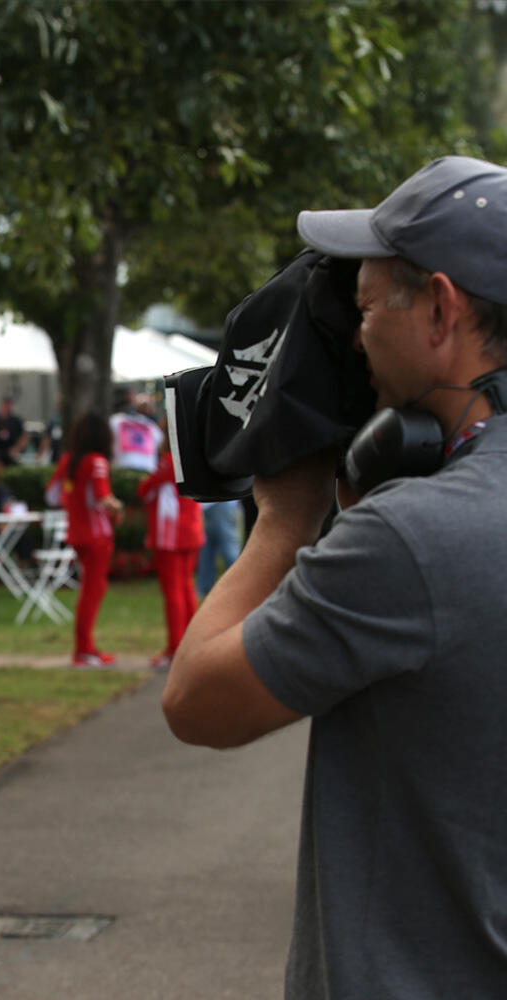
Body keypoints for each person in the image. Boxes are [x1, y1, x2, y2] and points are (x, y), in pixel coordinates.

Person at [162, 156, 507, 998]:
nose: (356, 343)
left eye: (364, 310)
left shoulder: (412, 540)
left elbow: (197, 701)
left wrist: (288, 514)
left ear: (439, 306)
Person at [46, 412, 123, 668]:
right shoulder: (97, 461)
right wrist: (119, 507)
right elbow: (103, 497)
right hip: (97, 535)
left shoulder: (68, 460)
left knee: (89, 590)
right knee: (93, 591)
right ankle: (84, 650)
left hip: (76, 534)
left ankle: (85, 647)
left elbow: (53, 496)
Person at [137, 429, 204, 671]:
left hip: (171, 534)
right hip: (192, 529)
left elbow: (144, 489)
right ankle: (191, 644)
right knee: (186, 588)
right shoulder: (192, 457)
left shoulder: (168, 462)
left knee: (173, 591)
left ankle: (176, 649)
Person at [109, 391, 164, 474]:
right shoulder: (153, 427)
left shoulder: (117, 420)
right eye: (144, 406)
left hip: (122, 470)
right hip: (143, 471)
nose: (146, 409)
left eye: (148, 406)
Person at [195, 500, 241, 598]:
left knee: (229, 550)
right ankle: (205, 588)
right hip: (208, 503)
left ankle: (241, 585)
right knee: (208, 548)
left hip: (220, 501)